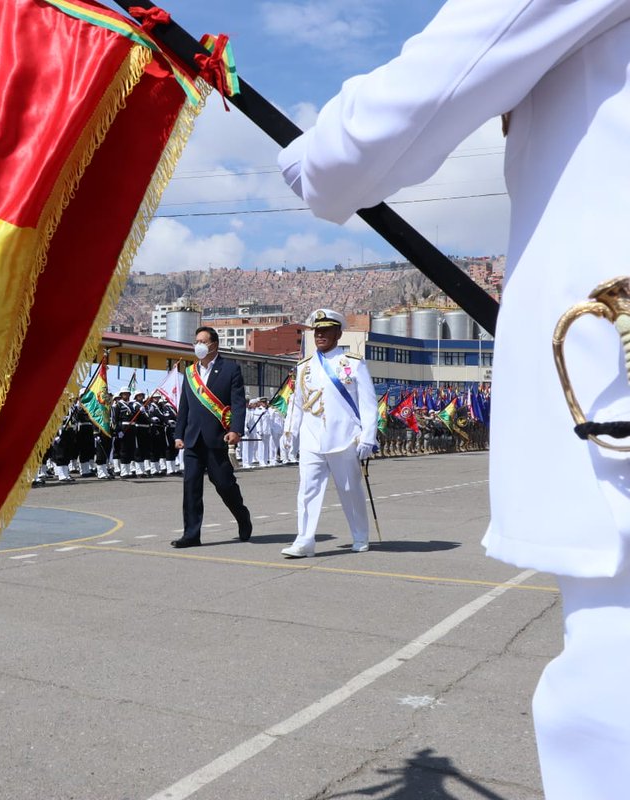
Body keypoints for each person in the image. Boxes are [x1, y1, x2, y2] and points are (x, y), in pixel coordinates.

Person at [275, 5, 630, 794]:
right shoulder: (309, 363)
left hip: (613, 382)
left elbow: (439, 81)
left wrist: (311, 162)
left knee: (610, 705)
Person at [279, 310, 378, 558]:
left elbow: (368, 404)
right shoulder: (304, 367)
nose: (321, 334)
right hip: (312, 438)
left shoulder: (352, 363)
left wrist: (368, 436)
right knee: (307, 490)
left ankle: (360, 535)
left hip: (344, 438)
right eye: (317, 330)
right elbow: (296, 403)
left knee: (349, 490)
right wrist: (289, 433)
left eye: (326, 330)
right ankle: (305, 540)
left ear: (338, 333)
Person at [172, 326, 252, 547]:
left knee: (224, 484)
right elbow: (184, 406)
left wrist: (235, 429)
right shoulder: (190, 372)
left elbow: (237, 403)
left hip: (217, 438)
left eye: (203, 341)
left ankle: (242, 516)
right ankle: (191, 534)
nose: (198, 345)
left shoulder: (230, 369)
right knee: (191, 487)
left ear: (214, 345)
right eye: (196, 341)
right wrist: (179, 434)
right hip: (192, 440)